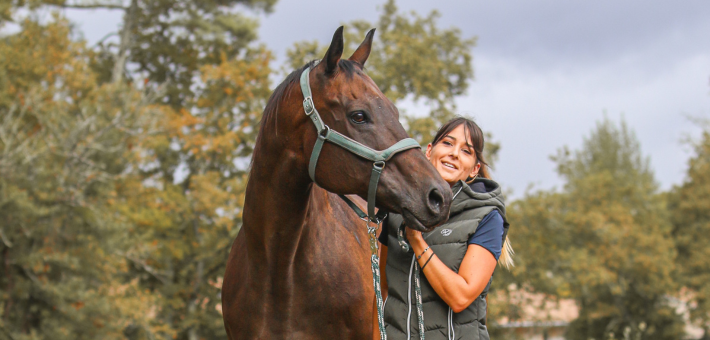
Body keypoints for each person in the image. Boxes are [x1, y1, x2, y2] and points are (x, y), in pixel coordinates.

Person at [378, 117, 513, 340]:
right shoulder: (395, 210)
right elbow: (385, 287)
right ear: (429, 151)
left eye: (466, 151)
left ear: (474, 169)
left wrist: (416, 239)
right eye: (448, 143)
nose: (454, 153)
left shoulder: (487, 217)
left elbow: (460, 297)